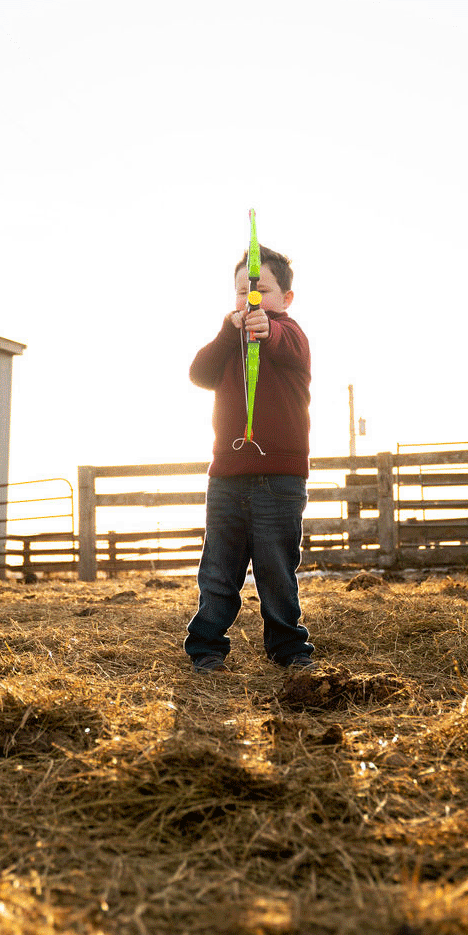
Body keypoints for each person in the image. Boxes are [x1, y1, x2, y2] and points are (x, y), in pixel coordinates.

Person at [184, 239, 314, 673]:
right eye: (242, 291)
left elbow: (281, 341)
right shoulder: (228, 340)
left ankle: (289, 649)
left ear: (286, 298)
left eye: (262, 291)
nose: (250, 298)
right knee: (219, 569)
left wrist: (267, 328)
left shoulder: (291, 334)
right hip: (228, 475)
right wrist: (229, 329)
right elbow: (199, 373)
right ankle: (206, 647)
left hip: (279, 478)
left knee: (277, 570)